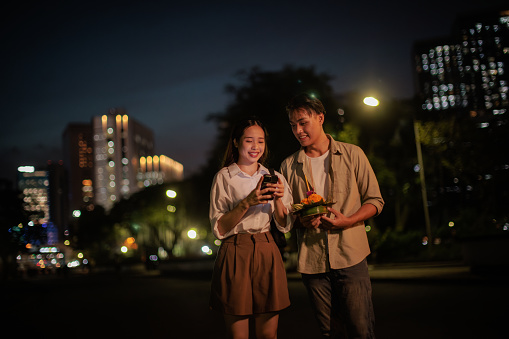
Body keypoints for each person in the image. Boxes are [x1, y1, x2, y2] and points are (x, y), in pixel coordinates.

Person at [279, 94, 384, 338]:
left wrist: (348, 220)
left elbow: (375, 201)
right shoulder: (288, 165)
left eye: (303, 122)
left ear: (320, 118)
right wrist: (301, 220)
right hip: (312, 261)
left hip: (351, 254)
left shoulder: (352, 154)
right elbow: (286, 215)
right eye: (293, 125)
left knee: (360, 329)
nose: (298, 130)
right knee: (328, 332)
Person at [209, 118, 294, 339]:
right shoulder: (224, 177)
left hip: (267, 249)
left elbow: (284, 225)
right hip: (235, 251)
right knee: (238, 335)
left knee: (269, 334)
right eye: (249, 140)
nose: (256, 147)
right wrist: (248, 202)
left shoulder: (274, 177)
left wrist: (277, 199)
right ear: (236, 142)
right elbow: (218, 229)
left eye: (261, 141)